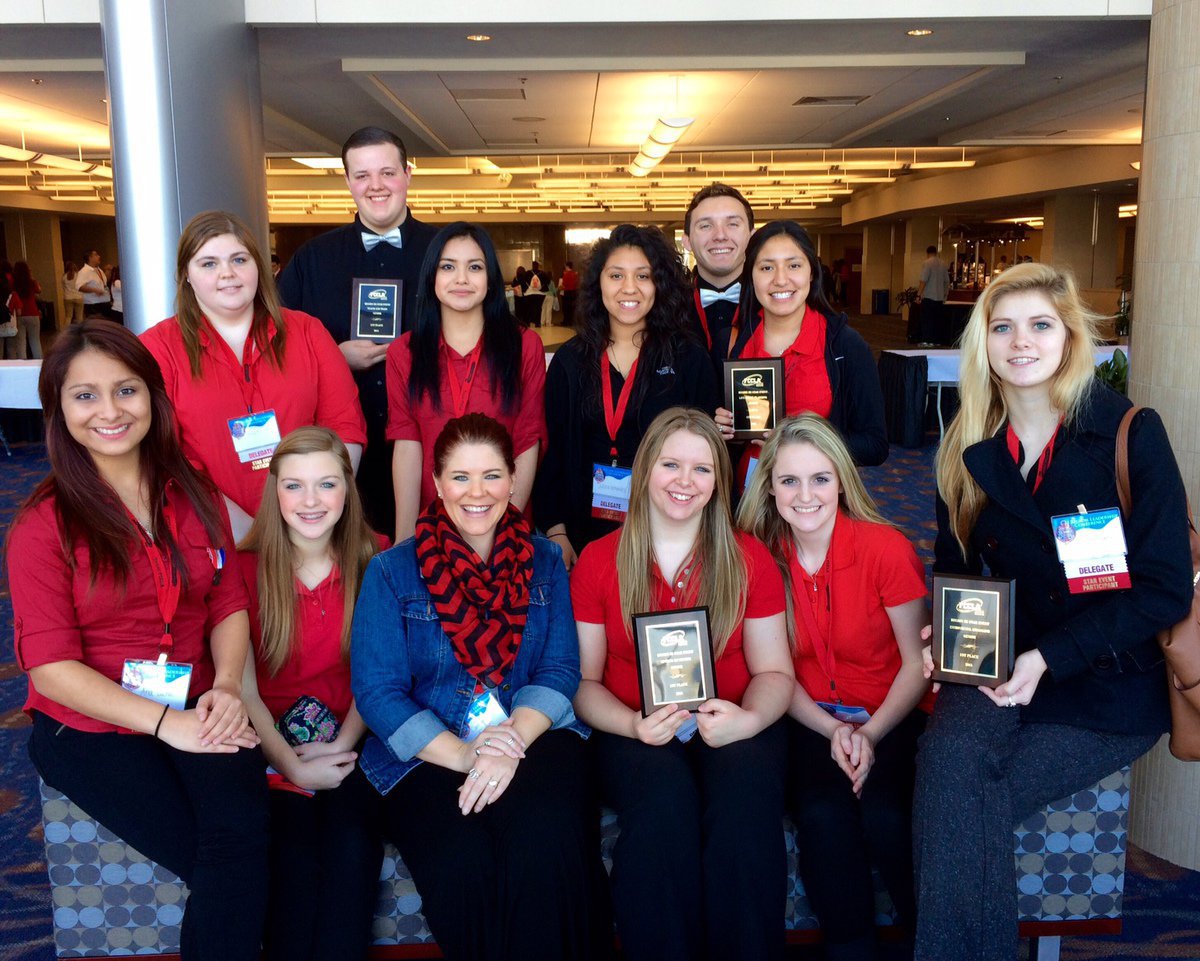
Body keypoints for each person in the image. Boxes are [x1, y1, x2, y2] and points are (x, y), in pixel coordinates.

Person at [914, 262, 1193, 961]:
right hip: (1003, 662)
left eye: (1040, 324)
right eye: (1002, 327)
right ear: (983, 342)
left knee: (960, 800)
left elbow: (1165, 589)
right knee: (948, 763)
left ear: (1070, 336)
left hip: (1105, 678)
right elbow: (956, 569)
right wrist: (944, 634)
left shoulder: (1128, 432)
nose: (1021, 341)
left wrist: (1050, 658)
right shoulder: (968, 447)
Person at [5, 320, 268, 961]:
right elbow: (50, 668)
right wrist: (164, 725)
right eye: (84, 395)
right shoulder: (43, 526)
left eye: (126, 390)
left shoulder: (193, 492)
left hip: (198, 700)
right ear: (58, 410)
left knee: (247, 842)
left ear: (152, 396)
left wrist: (228, 685)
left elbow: (227, 600)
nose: (109, 411)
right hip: (89, 726)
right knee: (222, 858)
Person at [353, 413, 609, 961]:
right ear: (438, 483)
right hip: (427, 751)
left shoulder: (545, 560)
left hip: (533, 734)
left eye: (491, 476)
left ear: (513, 481)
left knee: (545, 841)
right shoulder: (391, 571)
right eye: (460, 477)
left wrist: (508, 741)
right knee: (462, 862)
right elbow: (378, 693)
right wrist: (470, 755)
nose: (477, 492)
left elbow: (561, 668)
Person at [571, 407, 795, 961]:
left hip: (735, 722)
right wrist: (632, 724)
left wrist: (747, 721)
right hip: (634, 730)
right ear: (645, 468)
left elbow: (774, 673)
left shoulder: (749, 558)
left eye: (701, 469)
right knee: (662, 804)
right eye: (671, 464)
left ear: (719, 480)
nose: (684, 482)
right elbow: (584, 683)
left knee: (745, 805)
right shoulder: (600, 561)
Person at [737, 413, 929, 960]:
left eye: (820, 478)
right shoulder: (758, 557)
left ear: (841, 480)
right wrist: (831, 730)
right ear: (768, 486)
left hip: (890, 711)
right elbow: (771, 671)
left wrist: (869, 733)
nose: (805, 495)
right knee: (823, 816)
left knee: (889, 815)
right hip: (807, 718)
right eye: (789, 480)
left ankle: (933, 940)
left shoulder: (885, 549)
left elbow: (917, 664)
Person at [237, 427, 384, 961]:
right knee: (291, 859)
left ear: (348, 488)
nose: (311, 501)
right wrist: (289, 765)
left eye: (326, 484)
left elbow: (382, 675)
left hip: (357, 743)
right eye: (294, 486)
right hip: (269, 750)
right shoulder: (244, 570)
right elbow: (243, 686)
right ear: (274, 491)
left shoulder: (380, 561)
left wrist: (341, 745)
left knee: (351, 850)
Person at [142, 209, 366, 543]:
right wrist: (249, 531)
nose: (227, 274)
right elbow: (162, 457)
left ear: (259, 267)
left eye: (239, 259)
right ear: (185, 275)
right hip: (213, 538)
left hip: (312, 533)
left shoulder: (308, 333)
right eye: (209, 263)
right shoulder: (156, 350)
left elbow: (345, 426)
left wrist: (315, 509)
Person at [278, 126, 438, 536]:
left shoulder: (447, 253)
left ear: (407, 174)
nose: (376, 186)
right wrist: (334, 357)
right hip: (340, 451)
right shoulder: (311, 259)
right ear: (348, 181)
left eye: (387, 172)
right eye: (362, 175)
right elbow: (277, 345)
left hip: (434, 441)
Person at [534, 224, 721, 568]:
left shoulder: (688, 358)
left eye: (643, 276)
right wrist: (557, 532)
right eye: (616, 275)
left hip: (669, 536)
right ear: (599, 283)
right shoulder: (570, 361)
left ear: (659, 284)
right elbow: (554, 452)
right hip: (583, 537)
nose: (629, 288)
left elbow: (709, 460)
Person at [387, 222, 546, 544]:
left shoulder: (524, 346)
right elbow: (407, 446)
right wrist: (405, 540)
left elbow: (528, 440)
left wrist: (506, 533)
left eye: (474, 267)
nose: (461, 278)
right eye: (448, 267)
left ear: (490, 279)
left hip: (503, 522)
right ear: (432, 276)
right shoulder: (404, 352)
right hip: (432, 526)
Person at [715, 220, 888, 469]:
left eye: (794, 265)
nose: (781, 280)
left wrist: (802, 443)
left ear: (812, 272)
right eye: (766, 268)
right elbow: (707, 440)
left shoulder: (844, 346)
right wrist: (720, 430)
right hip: (746, 498)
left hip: (814, 498)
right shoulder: (730, 342)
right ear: (751, 277)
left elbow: (875, 446)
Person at [681, 182, 754, 351]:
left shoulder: (774, 305)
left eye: (733, 224)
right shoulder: (667, 310)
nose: (720, 235)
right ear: (687, 241)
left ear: (752, 237)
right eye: (706, 226)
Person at [4, 260, 42, 359]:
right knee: (35, 341)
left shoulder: (13, 282)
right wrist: (31, 276)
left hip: (19, 314)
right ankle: (39, 364)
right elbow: (39, 290)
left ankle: (23, 364)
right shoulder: (32, 282)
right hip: (33, 313)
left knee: (21, 343)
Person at [915, 245, 950, 346]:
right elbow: (947, 281)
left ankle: (927, 341)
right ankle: (936, 341)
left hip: (929, 297)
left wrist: (918, 295)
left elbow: (923, 280)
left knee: (927, 320)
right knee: (936, 320)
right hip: (939, 298)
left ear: (927, 253)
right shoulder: (942, 264)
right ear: (936, 252)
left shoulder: (927, 263)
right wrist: (945, 295)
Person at [76, 249, 110, 318]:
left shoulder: (99, 270)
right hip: (93, 305)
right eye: (96, 255)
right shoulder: (84, 271)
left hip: (104, 302)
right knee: (97, 327)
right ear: (90, 257)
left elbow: (103, 284)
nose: (99, 256)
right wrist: (95, 290)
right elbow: (79, 287)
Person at [560, 260, 580, 325]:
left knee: (566, 308)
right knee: (573, 308)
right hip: (574, 292)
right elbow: (577, 283)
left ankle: (566, 321)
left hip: (567, 292)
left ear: (567, 266)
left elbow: (564, 284)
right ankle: (572, 321)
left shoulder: (566, 274)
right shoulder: (575, 274)